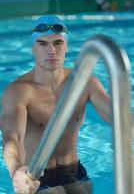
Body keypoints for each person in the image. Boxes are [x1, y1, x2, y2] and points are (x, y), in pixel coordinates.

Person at [1, 15, 111, 194]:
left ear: (66, 46)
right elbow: (11, 137)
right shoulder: (18, 91)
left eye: (58, 43)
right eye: (43, 44)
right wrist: (16, 172)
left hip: (73, 170)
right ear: (33, 48)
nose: (51, 50)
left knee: (82, 190)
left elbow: (119, 118)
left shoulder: (84, 82)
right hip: (35, 174)